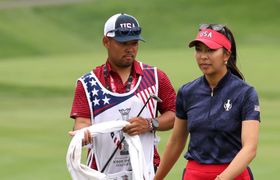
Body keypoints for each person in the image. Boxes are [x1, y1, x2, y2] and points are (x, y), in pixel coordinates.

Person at [68, 13, 176, 179]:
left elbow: (176, 115)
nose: (130, 48)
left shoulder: (156, 77)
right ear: (106, 41)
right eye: (123, 43)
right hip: (101, 172)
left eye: (134, 43)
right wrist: (82, 135)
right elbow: (81, 123)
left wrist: (149, 124)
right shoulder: (88, 83)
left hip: (145, 171)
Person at [154, 24, 260, 180]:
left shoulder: (245, 93)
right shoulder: (187, 92)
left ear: (226, 55)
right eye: (199, 49)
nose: (203, 56)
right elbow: (176, 142)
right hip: (194, 175)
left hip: (233, 175)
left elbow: (250, 148)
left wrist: (222, 178)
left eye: (210, 50)